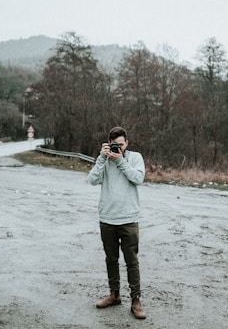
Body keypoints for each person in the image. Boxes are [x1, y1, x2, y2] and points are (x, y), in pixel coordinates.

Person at [87, 126, 146, 320]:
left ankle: (136, 300)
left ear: (126, 143)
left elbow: (138, 178)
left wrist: (120, 161)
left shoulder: (135, 157)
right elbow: (92, 180)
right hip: (107, 218)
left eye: (120, 145)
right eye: (114, 145)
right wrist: (101, 158)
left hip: (128, 218)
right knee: (111, 259)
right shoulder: (104, 160)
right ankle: (114, 294)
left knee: (132, 262)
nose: (117, 149)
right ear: (108, 144)